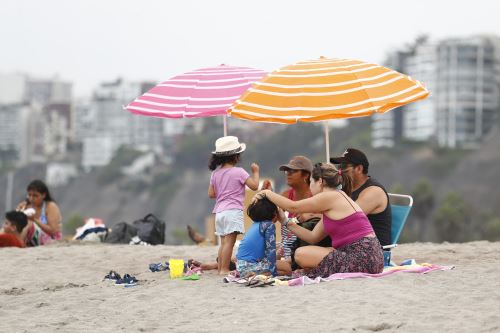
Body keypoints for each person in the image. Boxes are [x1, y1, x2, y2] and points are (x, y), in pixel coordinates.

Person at [256, 163, 384, 278]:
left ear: (320, 181)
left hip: (364, 257)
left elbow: (293, 206)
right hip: (373, 257)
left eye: (311, 181)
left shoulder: (329, 196)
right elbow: (312, 237)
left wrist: (267, 193)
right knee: (312, 253)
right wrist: (284, 221)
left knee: (300, 254)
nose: (310, 186)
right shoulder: (337, 196)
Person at [208, 136, 259, 275]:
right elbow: (254, 186)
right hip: (233, 211)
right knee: (230, 243)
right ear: (236, 156)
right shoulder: (239, 172)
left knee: (223, 242)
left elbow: (211, 194)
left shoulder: (215, 173)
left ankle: (220, 268)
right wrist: (255, 172)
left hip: (219, 212)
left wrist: (223, 190)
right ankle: (224, 269)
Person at [330, 148, 392, 247]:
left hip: (372, 252)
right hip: (352, 245)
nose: (340, 171)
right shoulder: (346, 188)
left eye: (344, 166)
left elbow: (346, 218)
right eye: (339, 166)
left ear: (359, 169)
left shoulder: (373, 192)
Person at [235, 196, 277, 277]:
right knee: (286, 267)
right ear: (274, 213)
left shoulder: (255, 225)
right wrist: (273, 273)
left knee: (279, 265)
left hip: (240, 266)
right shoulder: (269, 225)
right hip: (250, 266)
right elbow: (271, 251)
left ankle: (257, 273)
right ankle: (262, 274)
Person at [16, 179, 63, 246]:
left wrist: (34, 220)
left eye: (35, 196)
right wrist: (19, 212)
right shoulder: (26, 205)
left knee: (29, 223)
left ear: (43, 195)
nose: (31, 198)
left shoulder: (50, 206)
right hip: (32, 238)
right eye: (29, 195)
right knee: (9, 226)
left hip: (51, 239)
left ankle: (19, 244)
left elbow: (53, 230)